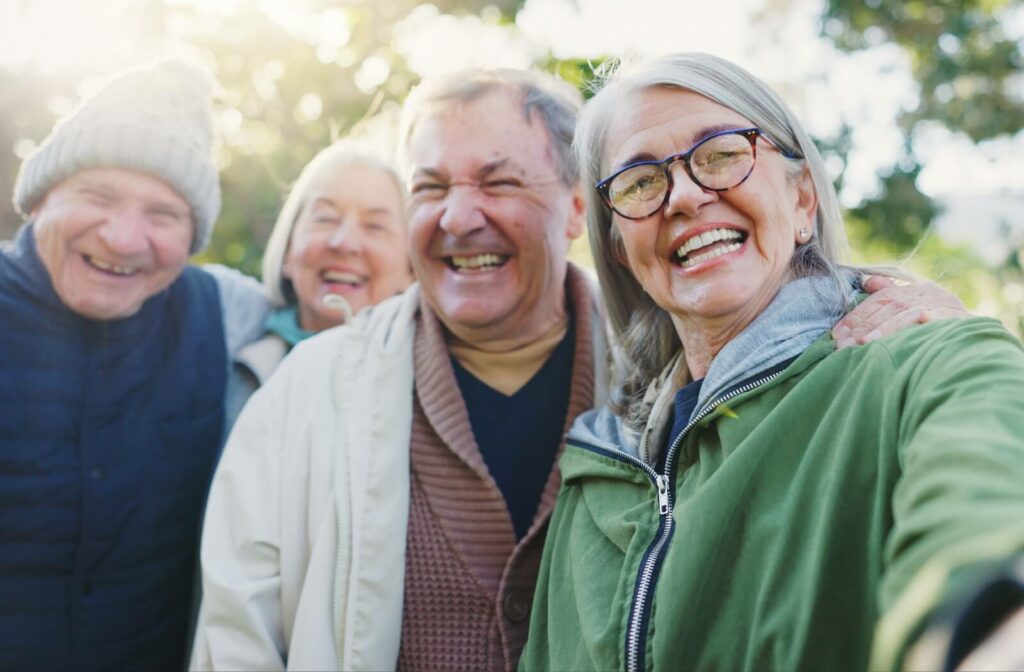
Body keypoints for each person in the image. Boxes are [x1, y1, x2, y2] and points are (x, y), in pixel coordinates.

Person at [191, 67, 970, 672]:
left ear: (574, 210)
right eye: (430, 188)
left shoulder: (674, 376)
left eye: (498, 182)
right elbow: (236, 640)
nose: (460, 217)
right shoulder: (310, 392)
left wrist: (910, 306)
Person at [519, 52, 1024, 672]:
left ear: (803, 199)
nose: (682, 196)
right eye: (640, 182)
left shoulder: (926, 363)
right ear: (622, 252)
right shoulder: (595, 470)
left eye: (723, 153)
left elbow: (990, 518)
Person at [0, 60, 269, 671]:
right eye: (98, 196)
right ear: (41, 197)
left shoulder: (226, 313)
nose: (124, 238)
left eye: (163, 214)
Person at [225, 140, 413, 426]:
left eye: (375, 226)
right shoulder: (231, 370)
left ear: (410, 269)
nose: (344, 243)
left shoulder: (432, 381)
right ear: (288, 249)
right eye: (325, 218)